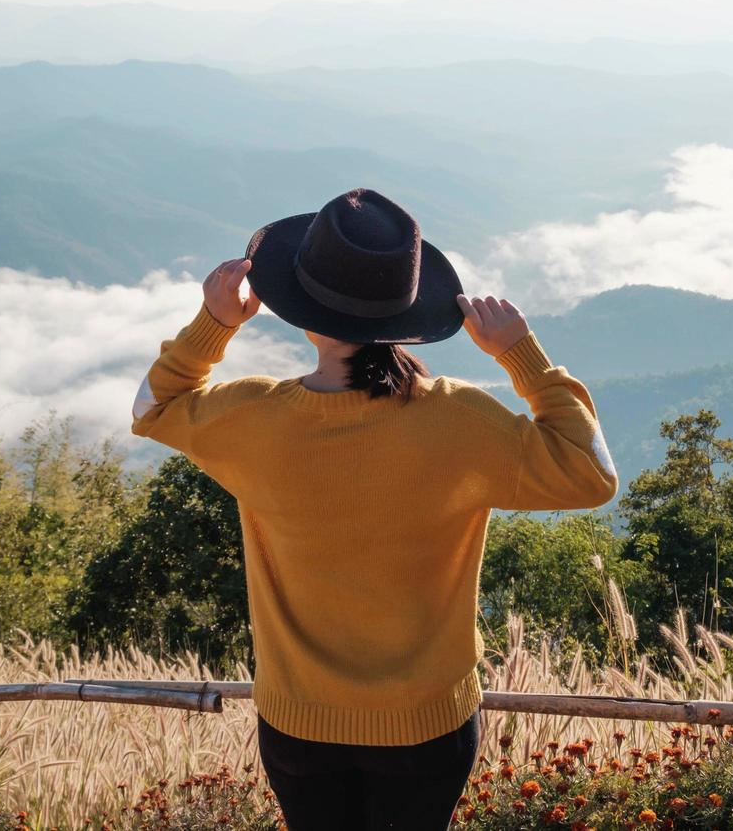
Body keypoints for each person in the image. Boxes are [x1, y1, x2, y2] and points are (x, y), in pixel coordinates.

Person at [130, 188, 619, 830]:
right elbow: (593, 473)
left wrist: (213, 324)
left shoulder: (250, 418)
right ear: (406, 313)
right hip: (428, 726)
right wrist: (520, 356)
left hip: (299, 723)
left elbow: (151, 408)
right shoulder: (461, 421)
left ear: (299, 310)